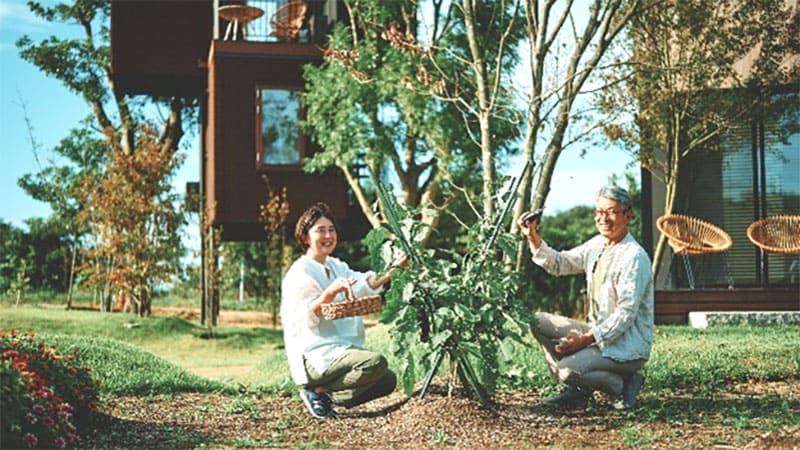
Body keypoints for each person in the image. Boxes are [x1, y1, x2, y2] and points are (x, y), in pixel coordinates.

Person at [518, 186, 654, 409]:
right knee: (538, 321)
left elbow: (625, 314)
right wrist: (532, 235)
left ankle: (623, 384)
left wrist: (583, 340)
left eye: (611, 212)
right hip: (596, 334)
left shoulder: (634, 257)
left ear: (628, 214)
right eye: (599, 212)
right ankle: (577, 389)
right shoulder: (597, 245)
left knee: (567, 370)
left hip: (626, 346)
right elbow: (560, 263)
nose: (604, 219)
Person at [280, 202, 407, 419]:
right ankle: (315, 389)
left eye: (331, 230)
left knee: (387, 381)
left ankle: (323, 395)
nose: (328, 236)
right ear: (305, 237)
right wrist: (329, 293)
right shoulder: (300, 272)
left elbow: (363, 283)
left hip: (339, 349)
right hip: (313, 354)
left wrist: (394, 269)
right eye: (320, 231)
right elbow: (306, 317)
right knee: (374, 363)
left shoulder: (336, 265)